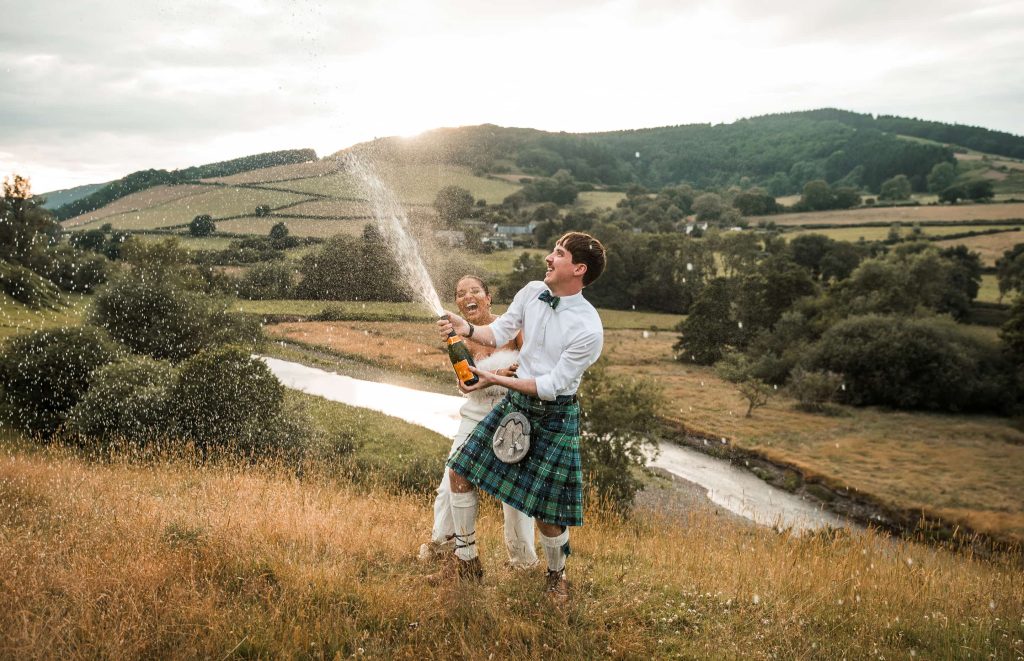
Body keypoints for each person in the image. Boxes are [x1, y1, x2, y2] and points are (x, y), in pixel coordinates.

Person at [432, 232, 606, 603]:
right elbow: (499, 332)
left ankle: (556, 576)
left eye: (557, 253)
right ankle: (467, 560)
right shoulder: (530, 292)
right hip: (516, 407)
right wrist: (466, 329)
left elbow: (552, 385)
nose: (548, 257)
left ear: (578, 268)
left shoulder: (589, 328)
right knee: (459, 471)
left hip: (554, 415)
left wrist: (492, 378)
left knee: (545, 510)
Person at [420, 275, 538, 569]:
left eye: (475, 291)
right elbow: (465, 383)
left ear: (488, 297)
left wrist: (503, 376)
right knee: (453, 475)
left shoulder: (510, 328)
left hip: (513, 411)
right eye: (461, 293)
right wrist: (491, 377)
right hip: (475, 412)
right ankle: (444, 544)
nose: (467, 296)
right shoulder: (458, 338)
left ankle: (522, 560)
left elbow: (533, 365)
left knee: (514, 492)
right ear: (458, 303)